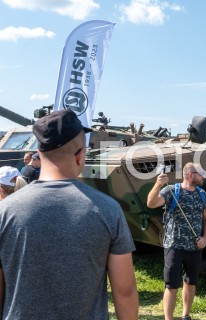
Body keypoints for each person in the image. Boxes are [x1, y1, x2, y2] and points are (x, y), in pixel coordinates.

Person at [0, 109, 138, 319]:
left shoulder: (5, 210)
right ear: (81, 154)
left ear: (39, 151)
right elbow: (125, 291)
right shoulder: (108, 210)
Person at [146, 162, 206, 320]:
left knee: (191, 283)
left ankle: (185, 315)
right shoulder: (171, 191)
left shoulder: (202, 194)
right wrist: (157, 184)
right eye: (200, 173)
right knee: (172, 285)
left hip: (194, 247)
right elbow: (151, 203)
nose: (203, 176)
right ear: (190, 175)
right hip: (174, 246)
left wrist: (205, 239)